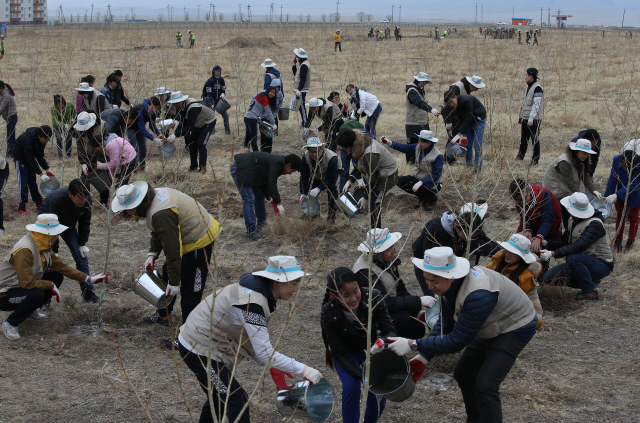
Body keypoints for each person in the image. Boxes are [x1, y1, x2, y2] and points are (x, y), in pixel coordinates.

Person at [384, 246, 537, 423]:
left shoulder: (479, 294)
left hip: (515, 325)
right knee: (464, 373)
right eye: (427, 280)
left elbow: (457, 341)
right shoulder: (449, 285)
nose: (430, 286)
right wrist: (424, 356)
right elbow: (446, 322)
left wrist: (413, 344)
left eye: (434, 281)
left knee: (486, 386)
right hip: (489, 322)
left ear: (451, 276)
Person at [181, 256, 322, 423]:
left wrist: (273, 363)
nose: (296, 289)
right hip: (198, 348)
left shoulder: (260, 295)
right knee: (236, 399)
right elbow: (263, 352)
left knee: (218, 398)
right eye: (293, 283)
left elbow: (253, 341)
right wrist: (304, 369)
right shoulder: (252, 302)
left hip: (206, 345)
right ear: (277, 282)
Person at [112, 181, 220, 327]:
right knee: (168, 273)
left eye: (126, 211)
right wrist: (152, 254)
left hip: (199, 239)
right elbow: (159, 231)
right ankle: (164, 316)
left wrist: (175, 283)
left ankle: (188, 336)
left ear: (134, 207)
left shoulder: (161, 213)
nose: (127, 215)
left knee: (190, 290)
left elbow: (173, 249)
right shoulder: (152, 198)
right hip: (186, 238)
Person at [0, 214, 107, 340]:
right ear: (47, 234)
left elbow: (62, 267)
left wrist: (89, 279)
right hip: (5, 294)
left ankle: (29, 312)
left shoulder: (42, 244)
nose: (57, 237)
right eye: (56, 234)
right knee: (37, 294)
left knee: (55, 275)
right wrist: (50, 286)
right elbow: (27, 283)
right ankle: (10, 323)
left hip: (20, 286)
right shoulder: (25, 249)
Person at [321, 267, 395, 423]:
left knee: (378, 392)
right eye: (346, 295)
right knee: (351, 386)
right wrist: (363, 376)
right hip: (347, 353)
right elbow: (339, 352)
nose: (354, 298)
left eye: (356, 290)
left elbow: (390, 332)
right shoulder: (328, 312)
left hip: (374, 348)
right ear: (334, 296)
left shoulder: (373, 297)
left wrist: (382, 342)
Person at [353, 229, 435, 339]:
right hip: (371, 316)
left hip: (387, 308)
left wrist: (417, 311)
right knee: (404, 320)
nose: (393, 251)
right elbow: (383, 303)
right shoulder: (365, 273)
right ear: (376, 253)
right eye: (388, 250)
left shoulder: (386, 262)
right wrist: (418, 301)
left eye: (393, 246)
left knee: (418, 329)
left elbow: (400, 289)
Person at [541, 192, 613, 301]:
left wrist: (552, 254)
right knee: (547, 278)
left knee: (572, 258)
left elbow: (578, 246)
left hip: (601, 264)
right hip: (581, 261)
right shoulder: (572, 220)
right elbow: (566, 242)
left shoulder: (595, 224)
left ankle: (590, 291)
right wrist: (547, 243)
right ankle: (589, 281)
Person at [411, 206, 499, 295]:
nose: (470, 239)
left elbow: (486, 241)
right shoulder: (435, 228)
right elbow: (428, 256)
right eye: (468, 236)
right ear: (458, 227)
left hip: (449, 266)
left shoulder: (471, 229)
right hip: (427, 265)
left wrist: (501, 251)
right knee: (434, 296)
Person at [38, 180, 99, 303]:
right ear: (70, 194)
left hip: (68, 225)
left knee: (81, 257)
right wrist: (54, 250)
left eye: (85, 197)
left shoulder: (86, 201)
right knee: (47, 262)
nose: (83, 201)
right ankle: (44, 300)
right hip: (47, 225)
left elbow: (84, 222)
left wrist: (82, 243)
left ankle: (88, 294)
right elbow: (51, 228)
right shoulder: (56, 199)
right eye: (80, 198)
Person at [337, 127, 398, 229]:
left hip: (388, 174)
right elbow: (359, 165)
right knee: (373, 200)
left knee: (374, 203)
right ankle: (373, 228)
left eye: (343, 148)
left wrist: (366, 197)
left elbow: (374, 179)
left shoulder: (369, 155)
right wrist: (350, 180)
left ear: (349, 148)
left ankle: (376, 232)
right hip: (377, 173)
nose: (342, 150)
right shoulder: (358, 145)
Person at [230, 152, 301, 239]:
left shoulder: (277, 162)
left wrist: (270, 198)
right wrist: (278, 202)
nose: (290, 173)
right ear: (288, 166)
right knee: (248, 198)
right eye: (292, 171)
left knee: (259, 196)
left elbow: (264, 182)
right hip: (240, 168)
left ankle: (261, 224)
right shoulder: (277, 163)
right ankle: (251, 231)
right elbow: (272, 183)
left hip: (250, 171)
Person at [486, 234, 544, 327]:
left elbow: (532, 298)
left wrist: (537, 320)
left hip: (509, 315)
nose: (508, 254)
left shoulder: (526, 276)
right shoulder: (496, 262)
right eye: (507, 250)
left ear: (521, 256)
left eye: (513, 252)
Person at [543, 138, 602, 230]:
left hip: (567, 191)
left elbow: (585, 176)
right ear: (576, 151)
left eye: (587, 153)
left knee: (569, 216)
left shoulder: (583, 160)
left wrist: (593, 191)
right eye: (583, 153)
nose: (586, 156)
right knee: (558, 215)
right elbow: (570, 182)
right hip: (555, 191)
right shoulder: (564, 162)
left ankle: (569, 233)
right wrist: (581, 198)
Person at [381, 130, 443, 211]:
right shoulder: (418, 147)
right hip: (418, 178)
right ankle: (422, 197)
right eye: (419, 140)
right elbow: (404, 147)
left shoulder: (438, 156)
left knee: (424, 188)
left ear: (429, 143)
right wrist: (389, 142)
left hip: (433, 183)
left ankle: (432, 199)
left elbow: (435, 175)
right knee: (399, 181)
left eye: (423, 141)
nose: (420, 143)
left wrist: (422, 182)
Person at [167, 91, 217, 173]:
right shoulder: (182, 107)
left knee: (201, 143)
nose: (175, 105)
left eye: (177, 103)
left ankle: (203, 168)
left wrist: (175, 135)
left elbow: (189, 127)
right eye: (174, 103)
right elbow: (183, 122)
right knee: (191, 144)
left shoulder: (192, 108)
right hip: (198, 123)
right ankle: (193, 167)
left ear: (182, 100)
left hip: (208, 121)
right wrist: (174, 134)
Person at [605, 140, 640, 253]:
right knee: (620, 214)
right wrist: (607, 197)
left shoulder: (639, 165)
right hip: (621, 191)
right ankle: (618, 240)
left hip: (636, 192)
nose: (624, 167)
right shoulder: (616, 159)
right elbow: (613, 178)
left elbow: (634, 184)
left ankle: (630, 242)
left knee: (634, 217)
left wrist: (616, 194)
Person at [509, 178, 563, 252]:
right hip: (536, 224)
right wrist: (528, 230)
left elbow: (547, 218)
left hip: (551, 224)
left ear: (529, 191)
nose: (522, 202)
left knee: (546, 249)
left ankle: (545, 262)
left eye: (524, 198)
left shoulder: (543, 195)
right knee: (533, 248)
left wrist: (538, 238)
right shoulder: (519, 201)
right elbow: (525, 217)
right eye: (517, 200)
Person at [13, 125, 54, 215]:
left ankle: (38, 202)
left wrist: (47, 169)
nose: (47, 142)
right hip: (20, 159)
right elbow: (30, 159)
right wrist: (40, 174)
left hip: (29, 159)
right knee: (23, 183)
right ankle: (22, 206)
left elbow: (39, 156)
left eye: (48, 140)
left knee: (32, 182)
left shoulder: (42, 141)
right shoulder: (28, 139)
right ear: (39, 136)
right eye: (45, 139)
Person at [73, 111, 111, 207]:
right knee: (83, 180)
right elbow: (80, 146)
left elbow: (104, 145)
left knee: (102, 179)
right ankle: (84, 202)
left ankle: (104, 202)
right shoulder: (77, 130)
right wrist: (83, 163)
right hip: (88, 155)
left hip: (101, 154)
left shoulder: (101, 126)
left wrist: (99, 161)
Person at [299, 138, 341, 222]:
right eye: (312, 152)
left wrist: (319, 188)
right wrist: (303, 193)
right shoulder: (305, 157)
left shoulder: (331, 158)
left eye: (317, 151)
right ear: (308, 150)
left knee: (332, 192)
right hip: (317, 175)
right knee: (309, 191)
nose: (315, 154)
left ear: (321, 149)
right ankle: (313, 214)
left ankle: (331, 217)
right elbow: (304, 176)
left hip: (333, 175)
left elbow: (332, 179)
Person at [444, 89, 486, 171]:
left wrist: (459, 134)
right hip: (468, 122)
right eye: (449, 103)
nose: (451, 104)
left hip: (478, 120)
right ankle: (469, 165)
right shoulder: (455, 107)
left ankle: (478, 167)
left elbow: (468, 117)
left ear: (456, 97)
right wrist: (465, 135)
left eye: (452, 101)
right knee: (468, 145)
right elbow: (461, 119)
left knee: (477, 144)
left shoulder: (466, 101)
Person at [404, 72, 440, 164]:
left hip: (422, 122)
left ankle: (422, 161)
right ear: (419, 80)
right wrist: (431, 109)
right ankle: (411, 163)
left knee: (425, 143)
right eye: (424, 82)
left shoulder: (420, 89)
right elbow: (418, 102)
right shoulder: (412, 90)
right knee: (413, 144)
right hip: (413, 123)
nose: (425, 84)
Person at [516, 68, 544, 166]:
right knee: (524, 139)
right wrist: (521, 115)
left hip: (534, 119)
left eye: (526, 75)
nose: (525, 77)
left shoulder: (537, 88)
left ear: (531, 76)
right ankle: (520, 157)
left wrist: (531, 118)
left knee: (534, 140)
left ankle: (535, 160)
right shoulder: (528, 87)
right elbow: (525, 103)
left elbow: (536, 105)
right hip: (526, 117)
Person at [125, 99, 162, 171]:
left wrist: (159, 134)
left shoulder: (154, 113)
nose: (155, 110)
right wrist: (153, 139)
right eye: (153, 107)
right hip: (130, 127)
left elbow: (152, 125)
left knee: (143, 148)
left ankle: (142, 167)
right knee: (134, 148)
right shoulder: (140, 111)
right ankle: (133, 167)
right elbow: (143, 129)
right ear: (148, 105)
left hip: (139, 128)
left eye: (157, 108)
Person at [243, 87, 276, 152]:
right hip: (252, 118)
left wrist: (259, 119)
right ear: (268, 91)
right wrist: (273, 123)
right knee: (254, 139)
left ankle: (245, 151)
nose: (272, 94)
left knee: (248, 138)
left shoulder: (260, 95)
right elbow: (268, 112)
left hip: (247, 117)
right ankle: (257, 156)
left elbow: (257, 109)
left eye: (274, 93)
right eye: (271, 92)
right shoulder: (264, 98)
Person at [202, 64, 231, 135]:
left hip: (219, 101)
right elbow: (208, 93)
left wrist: (223, 94)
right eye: (216, 71)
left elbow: (223, 89)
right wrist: (211, 103)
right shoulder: (210, 81)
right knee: (211, 117)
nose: (217, 72)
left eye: (219, 71)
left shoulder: (221, 80)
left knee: (225, 115)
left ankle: (227, 130)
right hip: (211, 101)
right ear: (213, 71)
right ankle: (211, 130)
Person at [50, 94, 76, 159]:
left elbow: (74, 113)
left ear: (64, 103)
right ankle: (61, 155)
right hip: (57, 125)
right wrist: (64, 125)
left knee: (69, 139)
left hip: (68, 123)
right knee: (59, 140)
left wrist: (76, 118)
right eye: (57, 107)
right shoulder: (53, 108)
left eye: (60, 106)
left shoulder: (69, 104)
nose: (59, 109)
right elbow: (56, 120)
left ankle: (68, 154)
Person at [292, 48, 311, 126]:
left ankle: (306, 123)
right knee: (299, 106)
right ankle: (304, 121)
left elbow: (303, 78)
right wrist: (294, 64)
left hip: (301, 90)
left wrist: (299, 89)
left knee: (301, 106)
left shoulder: (304, 65)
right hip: (300, 89)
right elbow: (296, 74)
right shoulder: (302, 64)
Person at [0, 81, 17, 157]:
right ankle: (15, 151)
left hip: (12, 117)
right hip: (10, 118)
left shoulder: (6, 96)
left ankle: (10, 153)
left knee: (10, 136)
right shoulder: (2, 94)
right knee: (12, 136)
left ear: (1, 88)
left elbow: (1, 109)